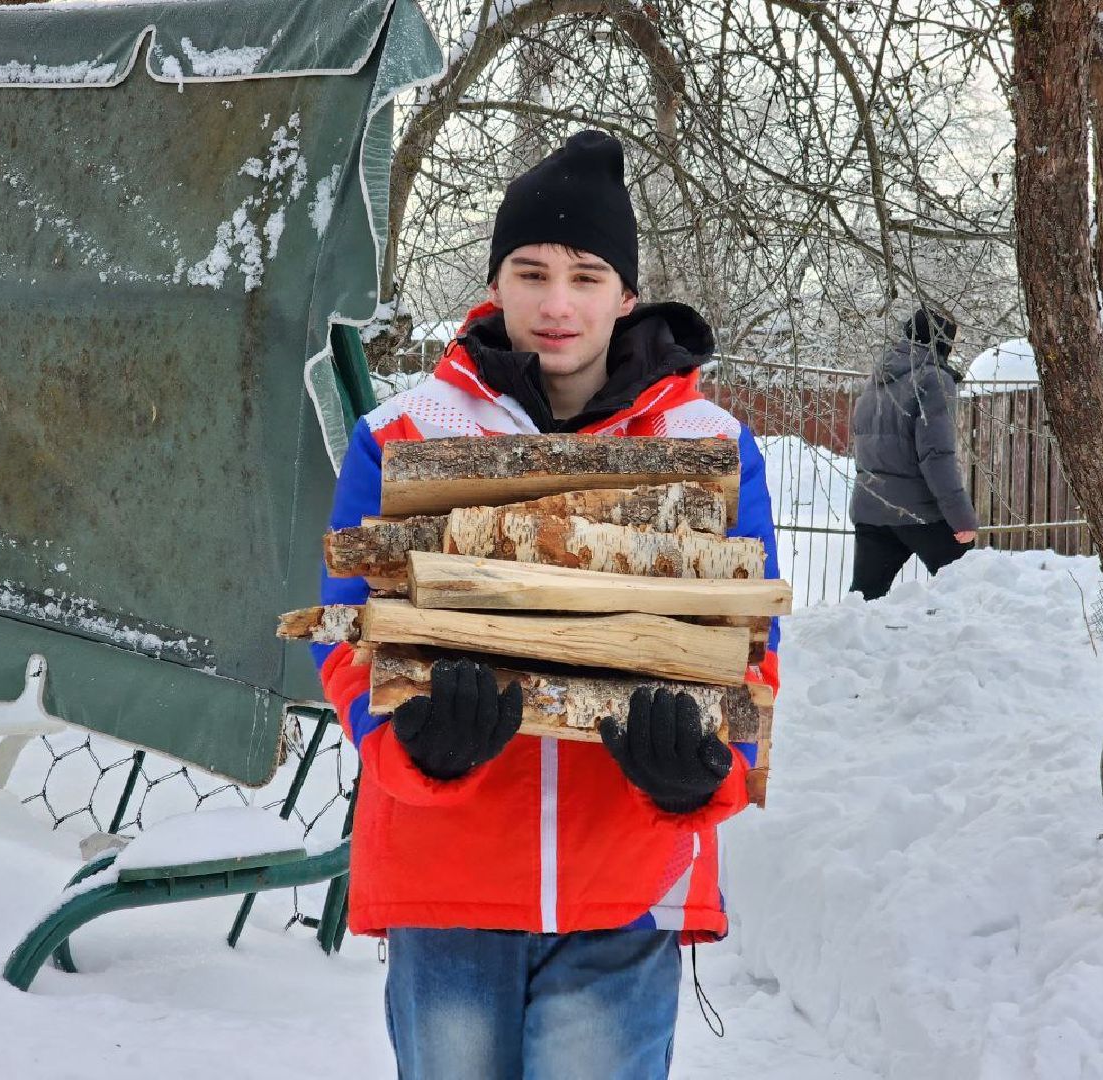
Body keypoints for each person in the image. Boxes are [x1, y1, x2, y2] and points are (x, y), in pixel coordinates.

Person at [313, 130, 780, 1079]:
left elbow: (749, 650)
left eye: (586, 273)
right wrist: (413, 744)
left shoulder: (711, 444)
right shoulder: (402, 435)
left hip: (627, 879)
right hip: (450, 881)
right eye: (531, 272)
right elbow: (349, 633)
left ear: (626, 295)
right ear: (496, 281)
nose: (557, 303)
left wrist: (703, 771)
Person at [848, 307, 979, 601]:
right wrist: (962, 519)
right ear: (943, 343)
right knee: (969, 589)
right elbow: (937, 455)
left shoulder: (877, 380)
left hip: (871, 508)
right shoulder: (932, 380)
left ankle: (848, 648)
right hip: (918, 512)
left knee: (862, 605)